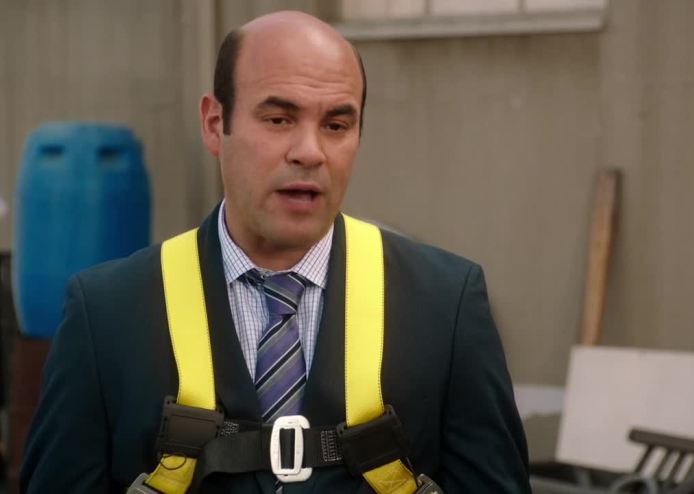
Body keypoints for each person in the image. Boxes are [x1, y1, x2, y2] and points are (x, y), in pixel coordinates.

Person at [21, 11, 530, 493]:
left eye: (336, 125)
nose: (310, 151)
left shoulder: (444, 305)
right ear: (214, 123)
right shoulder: (107, 314)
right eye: (279, 119)